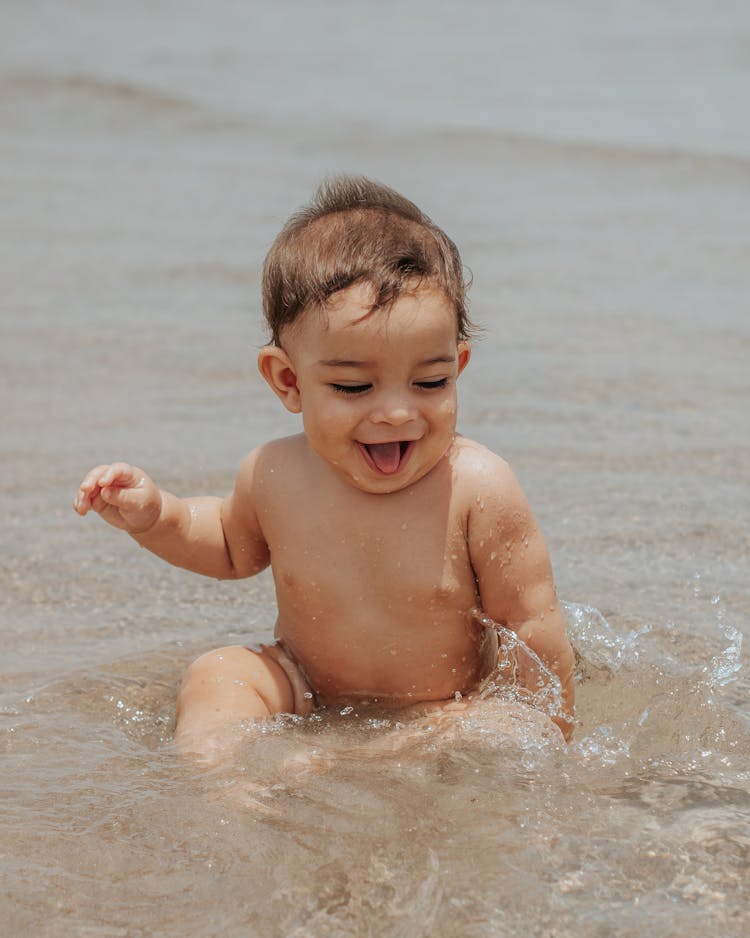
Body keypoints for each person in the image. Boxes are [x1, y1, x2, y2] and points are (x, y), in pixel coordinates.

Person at [73, 176, 575, 760]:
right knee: (217, 674)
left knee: (494, 724)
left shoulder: (476, 487)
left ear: (458, 365)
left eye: (430, 381)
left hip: (444, 706)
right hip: (305, 685)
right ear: (288, 380)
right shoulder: (275, 473)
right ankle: (226, 784)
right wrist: (156, 515)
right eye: (354, 386)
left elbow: (533, 626)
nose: (395, 412)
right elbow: (231, 547)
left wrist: (550, 736)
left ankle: (362, 759)